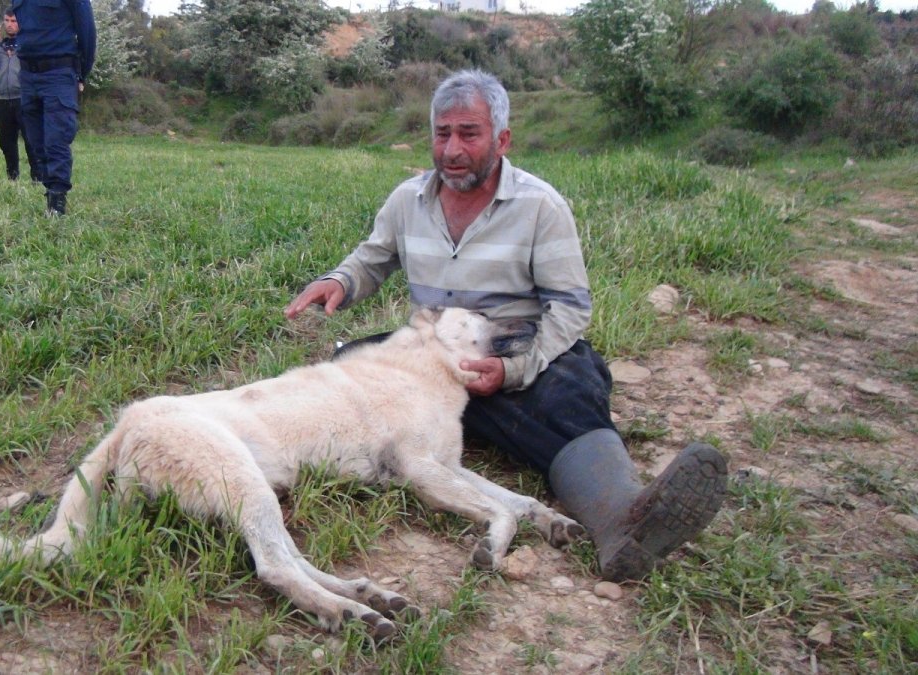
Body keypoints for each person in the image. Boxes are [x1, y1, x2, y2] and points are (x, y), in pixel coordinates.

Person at [284, 69, 728, 583]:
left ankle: (624, 522)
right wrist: (339, 281)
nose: (452, 149)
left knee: (569, 394)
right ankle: (398, 447)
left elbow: (570, 306)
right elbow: (373, 258)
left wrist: (513, 366)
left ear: (502, 139)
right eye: (442, 133)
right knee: (350, 364)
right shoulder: (408, 199)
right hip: (433, 355)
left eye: (469, 134)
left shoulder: (540, 206)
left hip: (518, 344)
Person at [11, 0, 96, 216]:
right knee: (36, 141)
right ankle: (50, 190)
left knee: (56, 139)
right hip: (28, 74)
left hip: (58, 72)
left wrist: (81, 72)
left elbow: (87, 31)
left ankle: (57, 202)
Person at [0, 10, 39, 183]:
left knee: (31, 140)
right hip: (4, 100)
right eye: (7, 20)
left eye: (13, 20)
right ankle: (12, 176)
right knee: (6, 141)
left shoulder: (28, 44)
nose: (10, 24)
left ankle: (37, 177)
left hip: (24, 98)